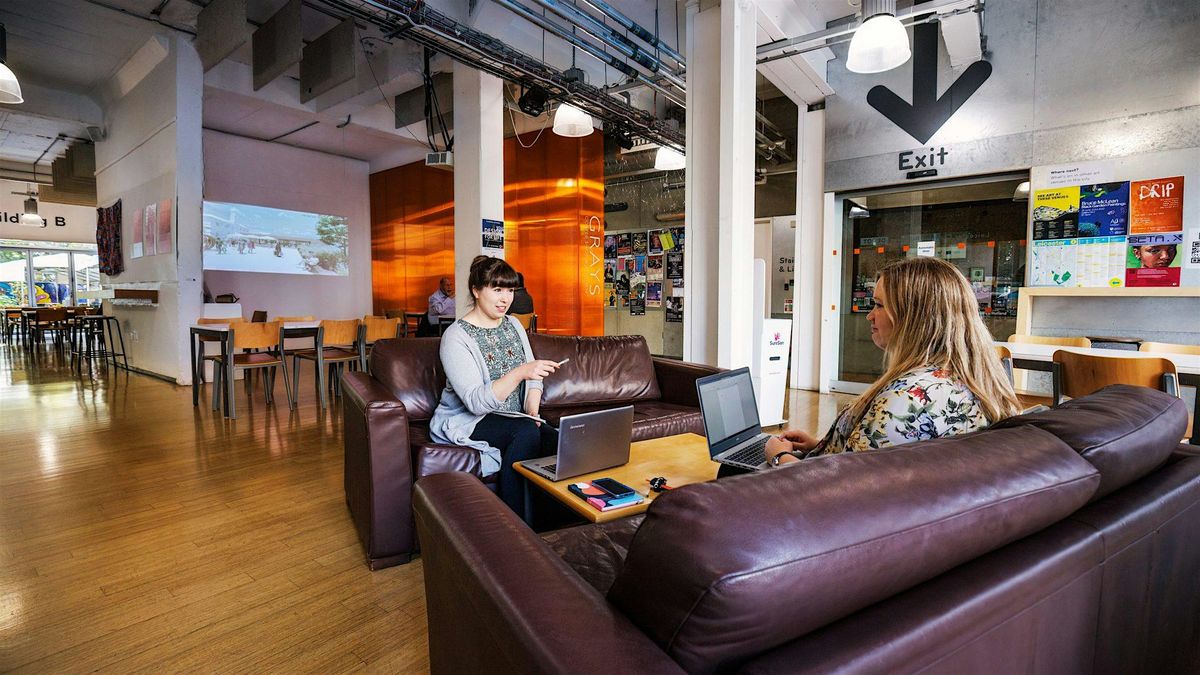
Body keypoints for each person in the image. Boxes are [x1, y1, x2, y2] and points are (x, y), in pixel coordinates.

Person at [765, 257, 1021, 467]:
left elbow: (835, 491)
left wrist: (779, 456)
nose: (870, 316)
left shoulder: (905, 400)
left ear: (914, 317)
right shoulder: (971, 382)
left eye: (878, 305)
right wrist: (822, 446)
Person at [429, 256, 561, 520]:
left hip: (515, 417)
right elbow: (476, 403)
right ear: (476, 291)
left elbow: (534, 378)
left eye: (510, 290)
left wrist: (532, 412)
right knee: (524, 433)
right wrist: (520, 372)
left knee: (557, 440)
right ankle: (514, 525)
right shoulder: (456, 337)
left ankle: (555, 526)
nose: (505, 299)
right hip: (472, 419)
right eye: (497, 289)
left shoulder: (513, 324)